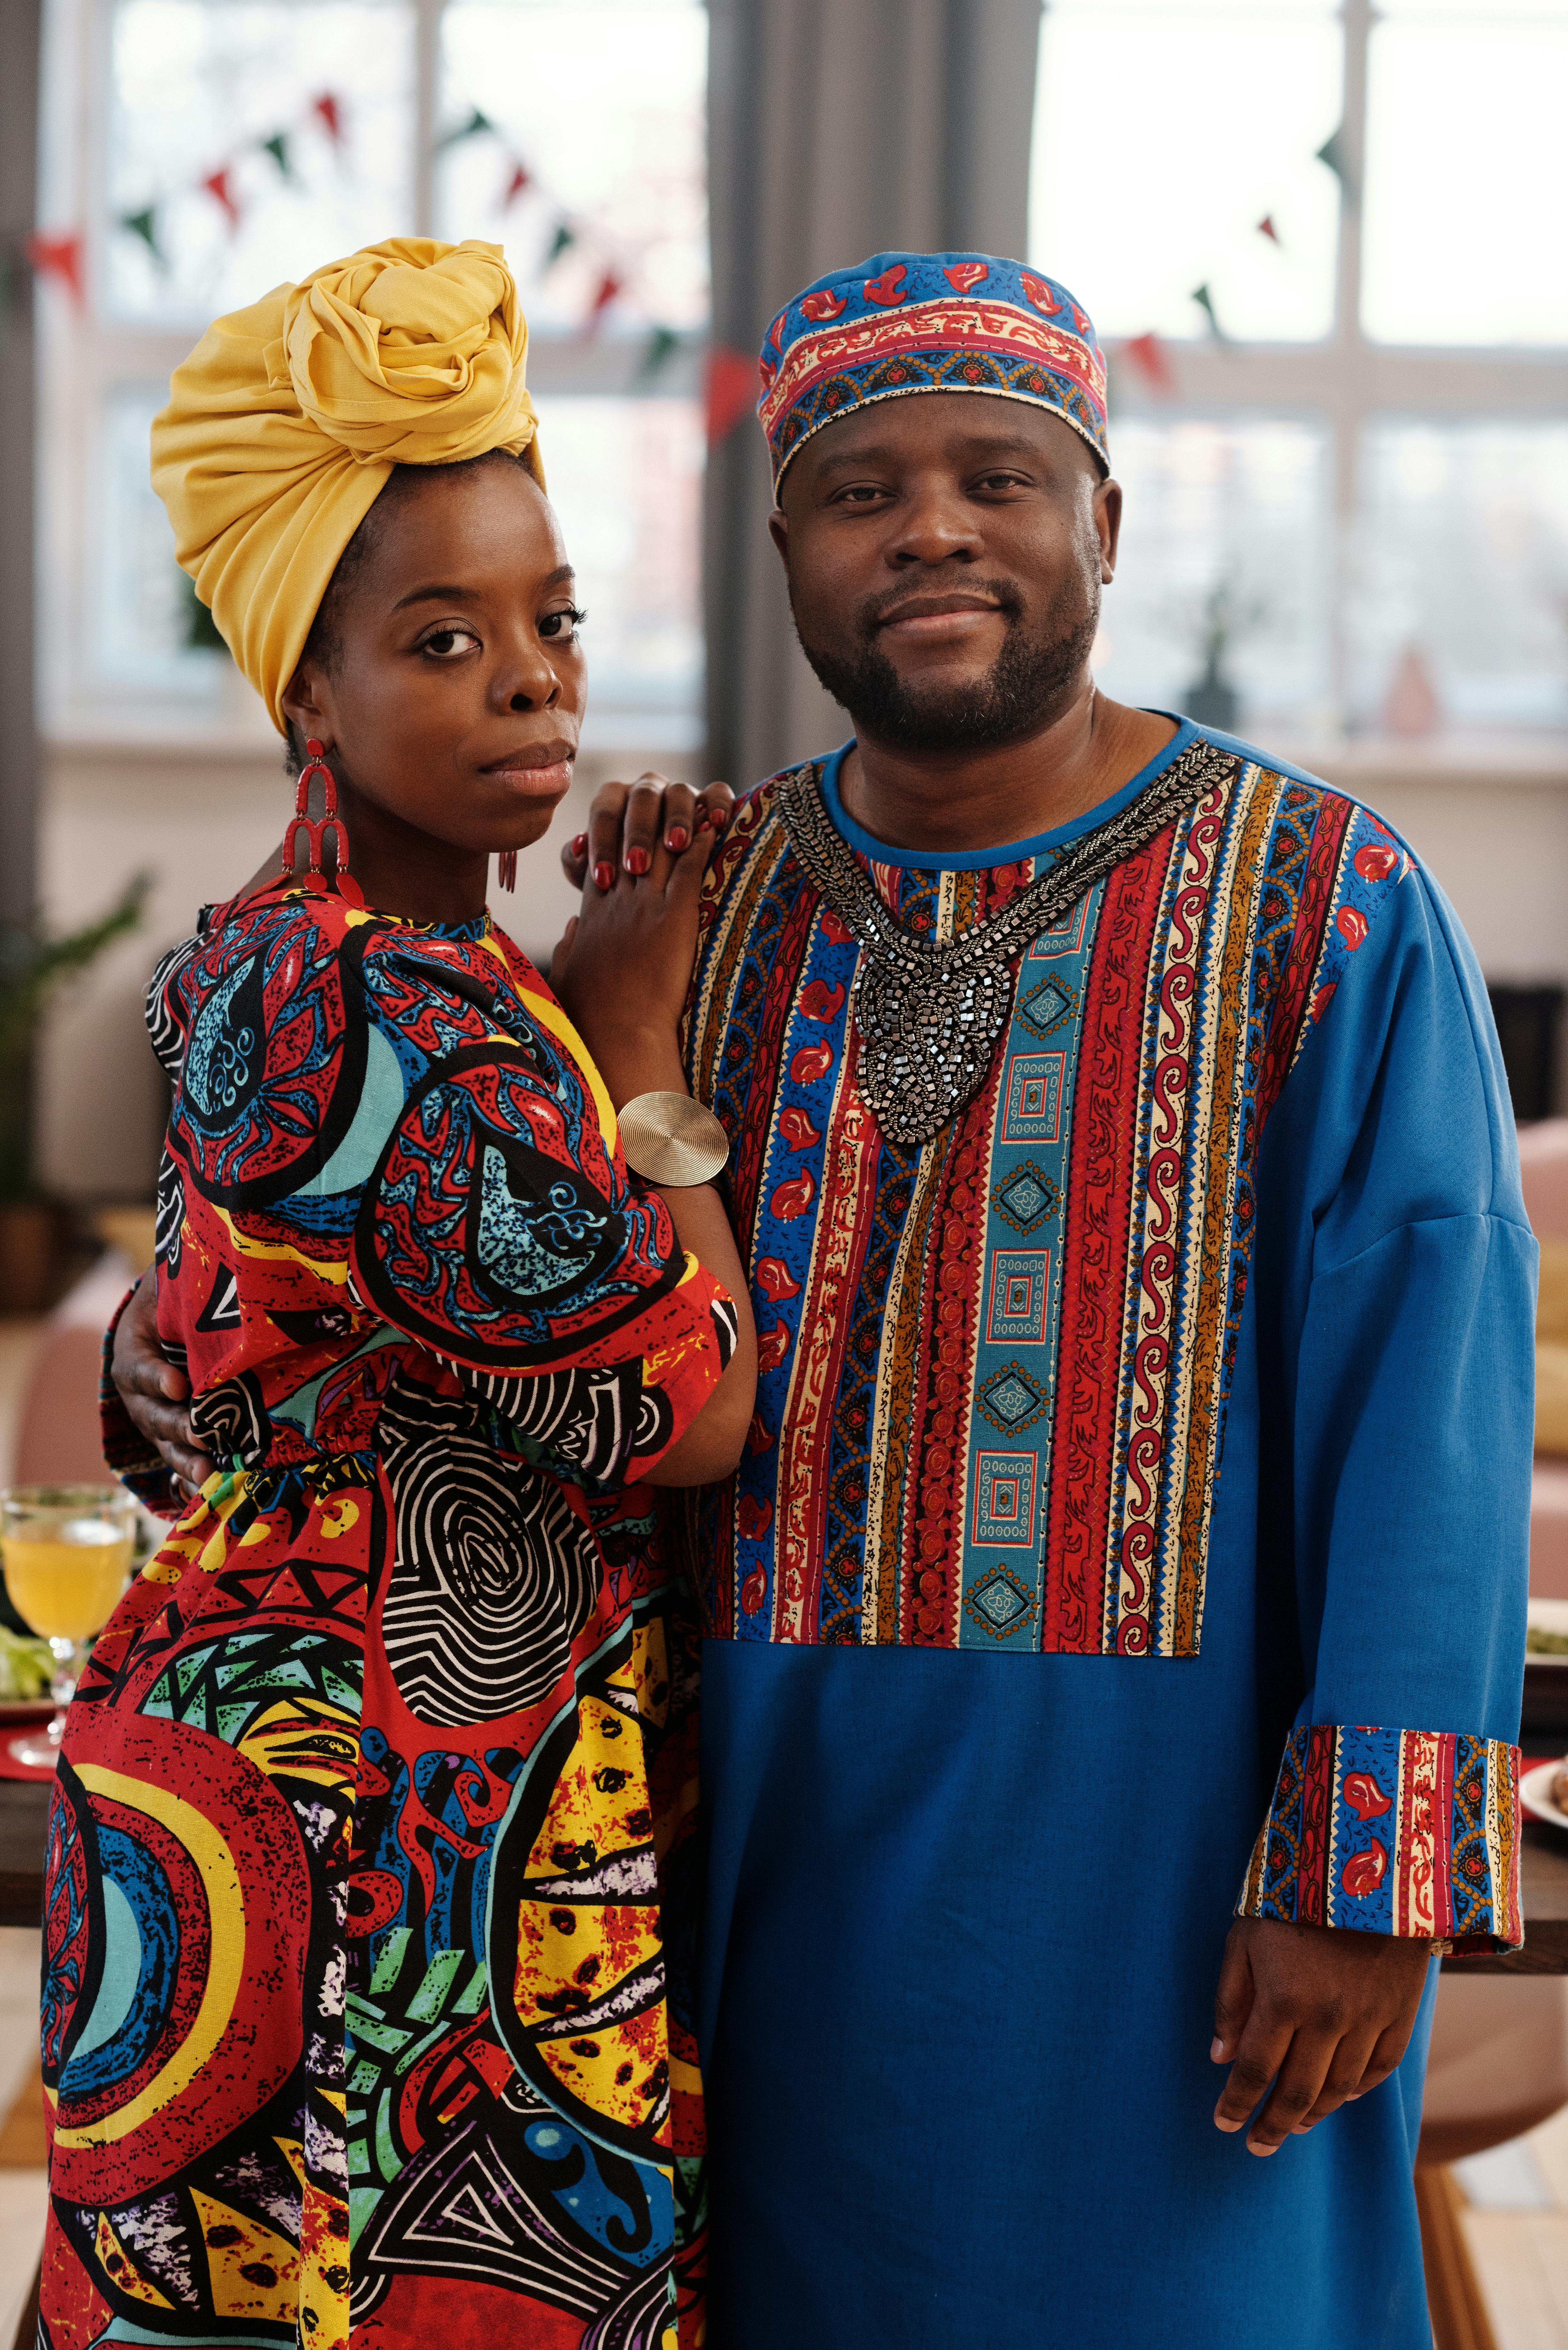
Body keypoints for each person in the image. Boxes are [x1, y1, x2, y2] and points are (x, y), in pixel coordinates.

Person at [116, 249, 1534, 2347]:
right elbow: (433, 1251)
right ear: (787, 554)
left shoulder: (1323, 899)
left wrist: (1368, 1879)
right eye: (865, 490)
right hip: (734, 1877)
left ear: (1107, 529)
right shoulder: (695, 911)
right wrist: (179, 1328)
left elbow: (1433, 1402)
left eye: (999, 479)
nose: (934, 528)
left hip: (1166, 1885)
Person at [54, 237, 754, 2350]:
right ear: (308, 693)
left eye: (553, 623)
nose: (533, 680)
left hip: (287, 1772)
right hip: (389, 1831)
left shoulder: (294, 954)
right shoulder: (384, 1012)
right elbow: (689, 1403)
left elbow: (201, 1341)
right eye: (443, 640)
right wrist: (642, 1051)